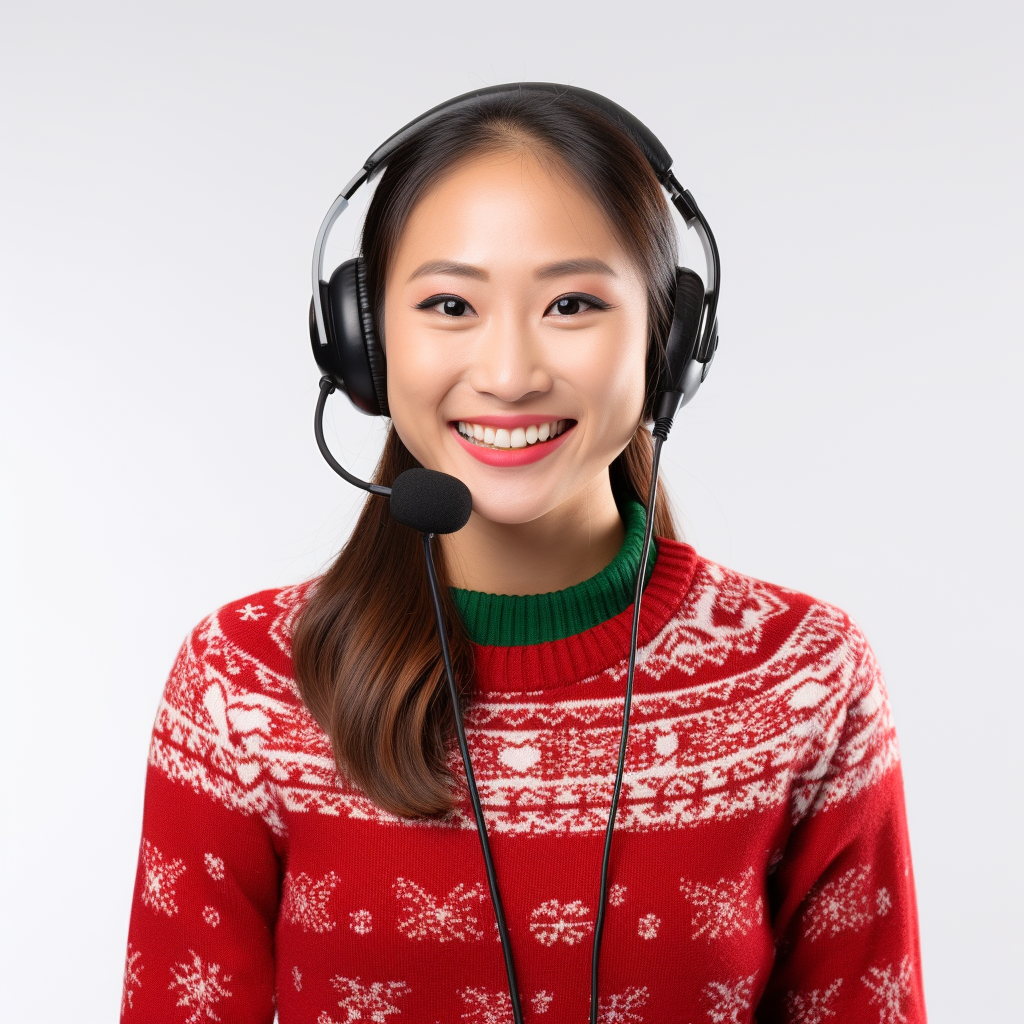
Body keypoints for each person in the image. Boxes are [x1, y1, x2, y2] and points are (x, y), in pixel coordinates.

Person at [119, 88, 926, 1023]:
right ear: (363, 344)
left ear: (668, 342)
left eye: (572, 303)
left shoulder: (805, 678)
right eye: (450, 304)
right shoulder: (243, 684)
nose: (509, 374)